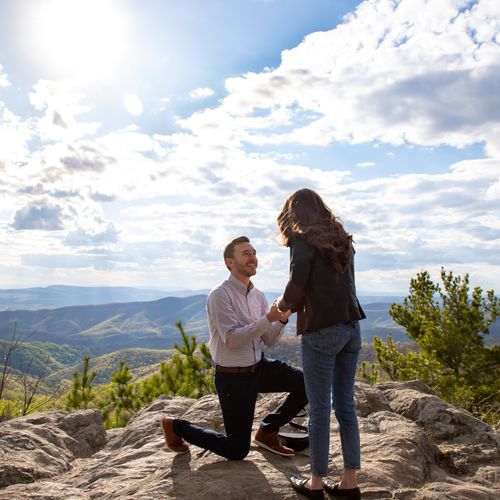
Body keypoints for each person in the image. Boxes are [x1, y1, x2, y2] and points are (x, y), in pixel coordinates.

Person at [160, 236, 308, 460]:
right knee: (237, 450)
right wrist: (268, 317)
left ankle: (267, 431)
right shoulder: (220, 295)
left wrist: (282, 320)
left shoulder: (258, 296)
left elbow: (268, 338)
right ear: (230, 262)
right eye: (246, 254)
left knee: (307, 384)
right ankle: (176, 426)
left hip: (259, 368)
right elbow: (231, 339)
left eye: (254, 253)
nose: (253, 258)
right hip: (233, 378)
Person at [276, 189, 365, 500]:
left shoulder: (303, 240)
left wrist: (282, 305)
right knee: (345, 406)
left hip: (323, 330)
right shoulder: (342, 238)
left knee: (318, 408)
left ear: (294, 214)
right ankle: (349, 482)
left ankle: (315, 484)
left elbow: (298, 283)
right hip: (351, 327)